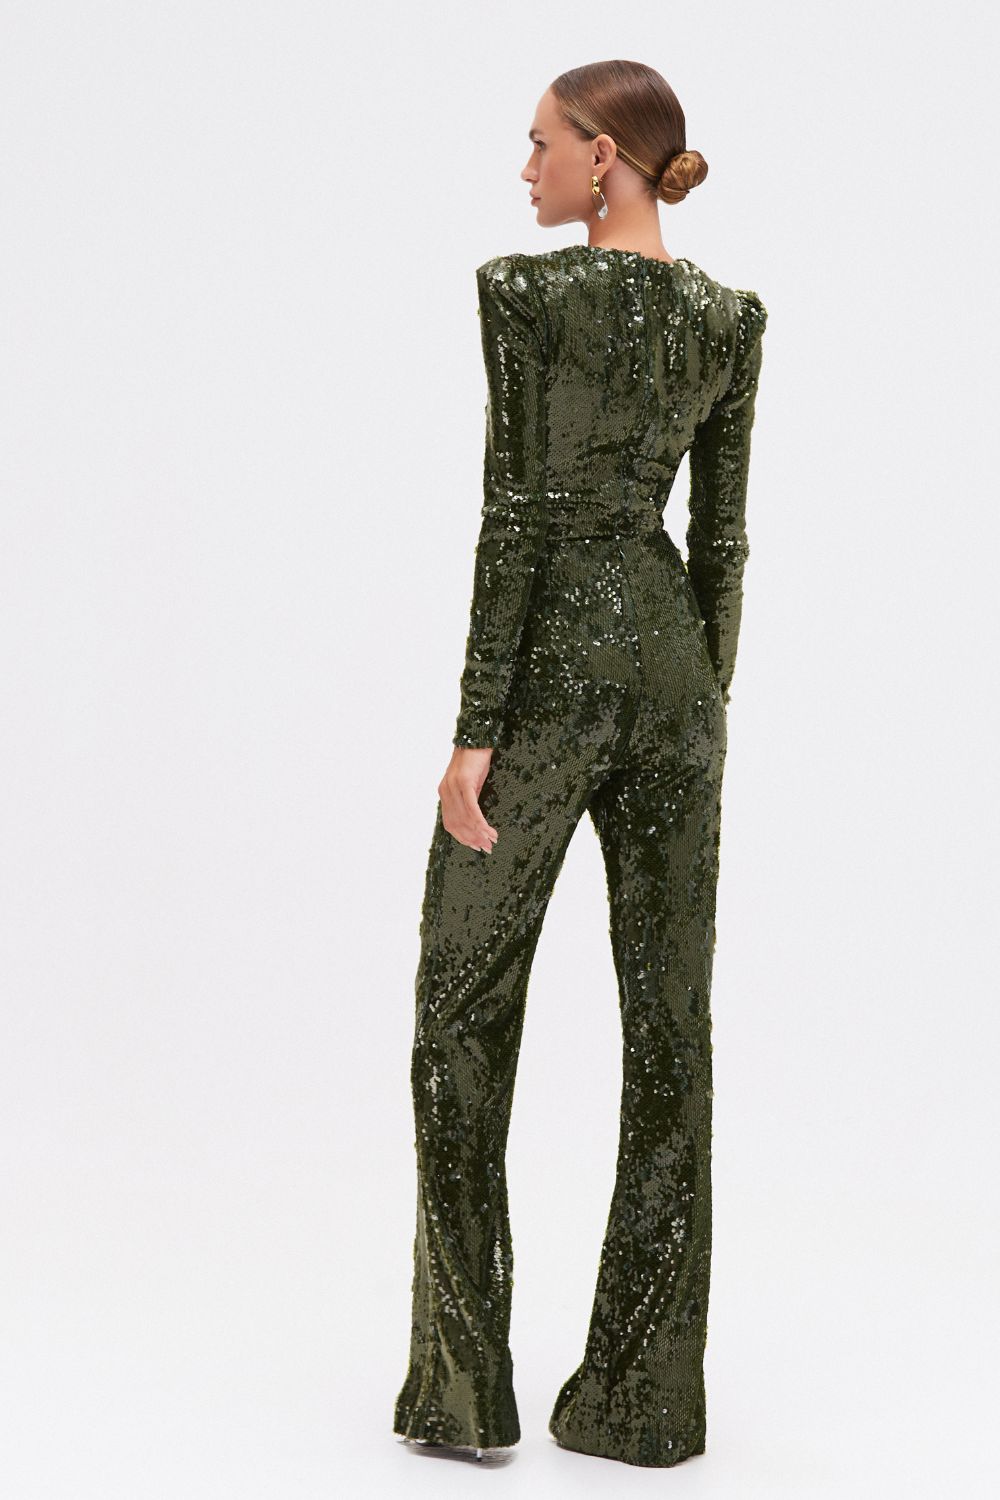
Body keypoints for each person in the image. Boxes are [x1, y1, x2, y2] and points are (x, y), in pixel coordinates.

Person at [393, 58, 768, 1470]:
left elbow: (516, 519)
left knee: (458, 1013)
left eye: (543, 142)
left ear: (603, 154)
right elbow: (721, 537)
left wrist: (474, 733)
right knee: (671, 1032)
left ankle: (463, 1390)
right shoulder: (731, 318)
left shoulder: (525, 294)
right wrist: (703, 704)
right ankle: (643, 1398)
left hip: (551, 676)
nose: (529, 166)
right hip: (675, 677)